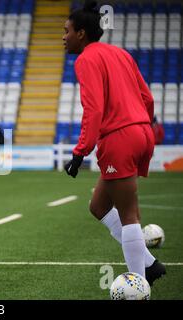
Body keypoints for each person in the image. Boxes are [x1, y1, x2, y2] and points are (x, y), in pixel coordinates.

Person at [62, 1, 166, 286]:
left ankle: (138, 286)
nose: (63, 37)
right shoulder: (120, 54)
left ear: (81, 33)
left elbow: (93, 110)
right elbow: (148, 99)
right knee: (99, 206)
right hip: (141, 132)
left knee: (128, 214)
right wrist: (139, 127)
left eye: (67, 31)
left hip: (120, 137)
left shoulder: (85, 60)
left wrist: (80, 151)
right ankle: (150, 264)